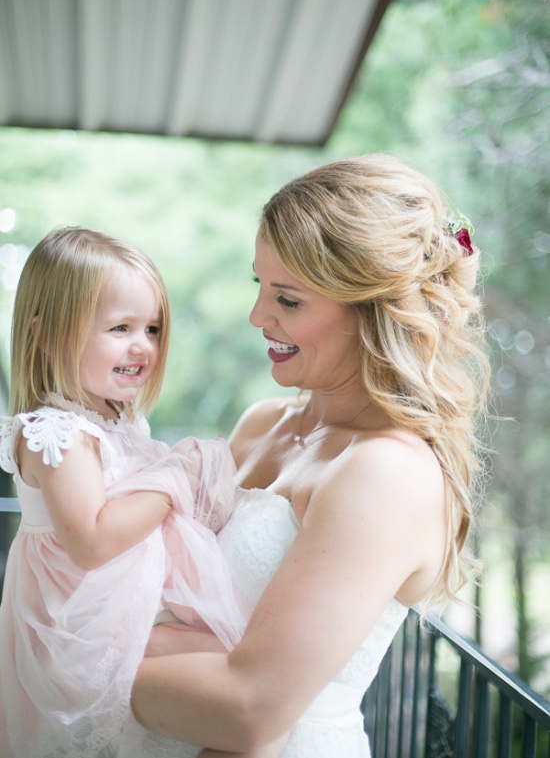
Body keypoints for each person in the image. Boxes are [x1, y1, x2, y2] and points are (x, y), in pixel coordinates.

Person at [126, 153, 490, 758]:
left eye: (288, 300)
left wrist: (62, 667)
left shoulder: (387, 471)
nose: (256, 317)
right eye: (258, 286)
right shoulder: (261, 424)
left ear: (374, 312)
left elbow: (250, 710)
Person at [0, 227, 248, 758]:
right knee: (243, 660)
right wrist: (173, 481)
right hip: (76, 635)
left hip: (117, 618)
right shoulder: (58, 435)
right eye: (120, 327)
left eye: (153, 328)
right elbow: (92, 540)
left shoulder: (121, 423)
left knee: (248, 666)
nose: (144, 346)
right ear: (46, 335)